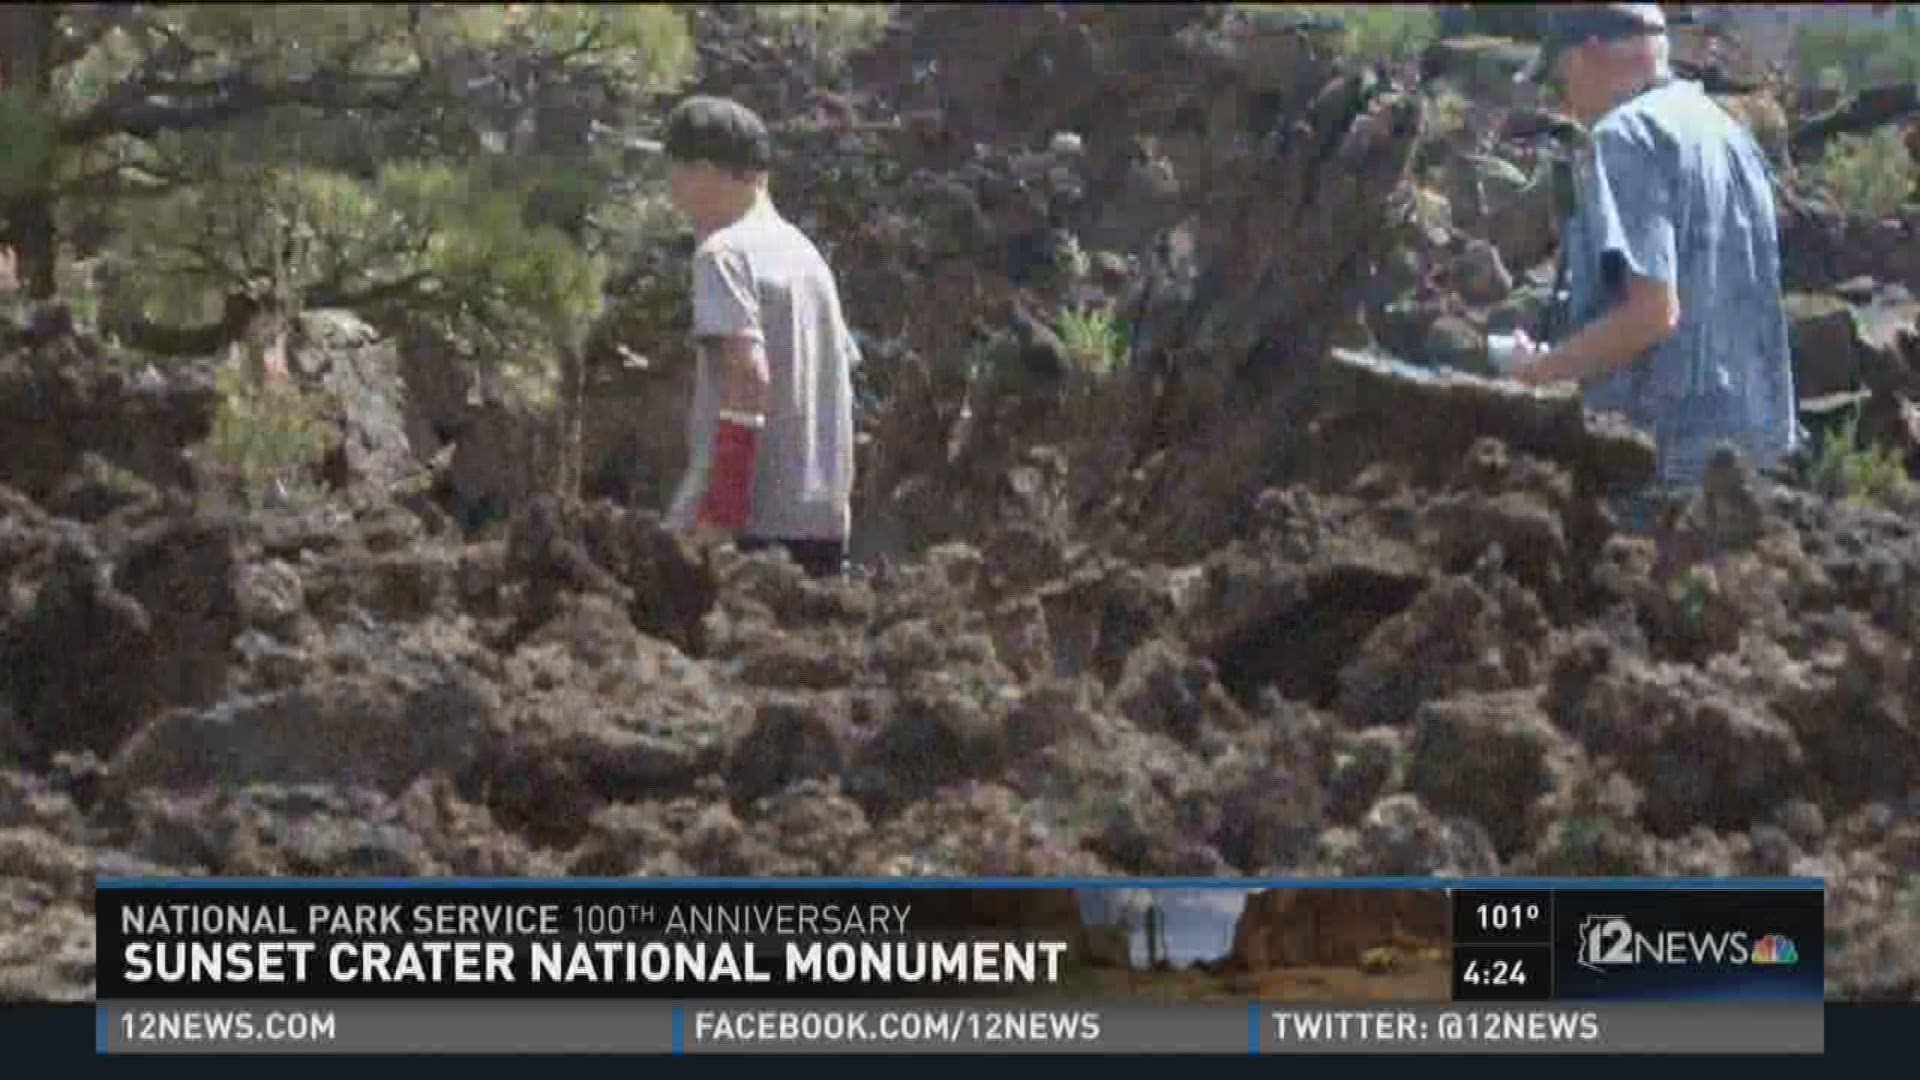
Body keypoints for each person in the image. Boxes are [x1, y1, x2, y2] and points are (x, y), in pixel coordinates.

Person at [1504, 4, 1798, 532]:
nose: (1564, 104)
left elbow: (1651, 314)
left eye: (1558, 81)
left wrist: (1537, 375)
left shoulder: (1626, 138)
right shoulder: (1727, 131)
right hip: (1749, 464)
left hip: (1659, 470)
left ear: (1588, 55)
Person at [659, 95, 857, 577]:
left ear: (705, 171)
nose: (673, 192)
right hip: (822, 524)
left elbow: (748, 374)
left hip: (751, 529)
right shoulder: (807, 257)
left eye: (676, 175)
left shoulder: (724, 254)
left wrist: (719, 510)